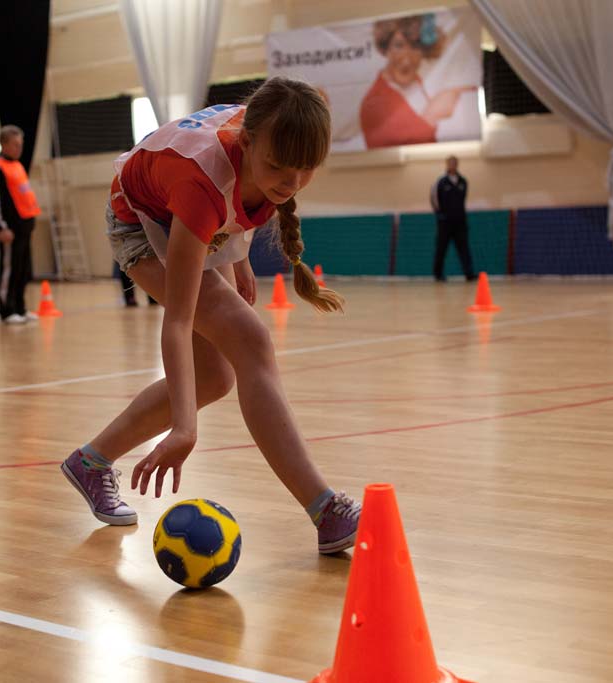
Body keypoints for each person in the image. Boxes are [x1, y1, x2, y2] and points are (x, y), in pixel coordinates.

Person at [60, 77, 361, 554]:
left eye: (306, 170)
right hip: (140, 220)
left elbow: (237, 198)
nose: (291, 184)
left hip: (183, 210)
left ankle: (91, 461)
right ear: (249, 142)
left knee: (215, 378)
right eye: (278, 168)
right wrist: (184, 428)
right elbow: (177, 323)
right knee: (252, 342)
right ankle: (325, 509)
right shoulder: (200, 183)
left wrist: (236, 257)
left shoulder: (267, 143)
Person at [359, 14, 466, 148]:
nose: (407, 56)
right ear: (386, 49)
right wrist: (432, 115)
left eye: (415, 47)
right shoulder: (373, 104)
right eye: (399, 46)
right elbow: (386, 150)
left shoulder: (419, 83)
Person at [0, 125, 41, 324]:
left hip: (25, 226)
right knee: (10, 269)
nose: (19, 148)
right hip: (10, 229)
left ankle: (20, 307)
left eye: (21, 144)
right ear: (4, 144)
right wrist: (0, 227)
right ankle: (6, 310)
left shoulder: (17, 165)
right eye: (15, 144)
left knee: (23, 269)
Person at [430, 155, 476, 282]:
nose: (453, 165)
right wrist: (440, 215)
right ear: (447, 164)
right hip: (445, 223)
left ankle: (469, 273)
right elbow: (434, 199)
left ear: (457, 164)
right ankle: (438, 274)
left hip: (460, 222)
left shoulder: (463, 181)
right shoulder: (440, 182)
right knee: (441, 248)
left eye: (455, 163)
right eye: (450, 163)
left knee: (464, 248)